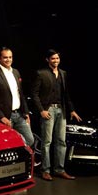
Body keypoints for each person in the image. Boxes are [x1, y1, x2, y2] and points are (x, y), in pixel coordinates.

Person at [31, 49, 81, 181]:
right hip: (48, 110)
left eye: (57, 58)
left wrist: (71, 110)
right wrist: (41, 110)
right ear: (47, 60)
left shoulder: (63, 73)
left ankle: (59, 169)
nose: (55, 61)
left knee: (61, 141)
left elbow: (66, 94)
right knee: (47, 142)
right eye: (53, 58)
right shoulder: (41, 73)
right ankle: (45, 170)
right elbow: (34, 94)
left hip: (61, 110)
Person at [0, 47, 35, 148]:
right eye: (5, 57)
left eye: (10, 57)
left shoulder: (15, 72)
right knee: (5, 144)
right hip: (6, 116)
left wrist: (26, 112)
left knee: (29, 139)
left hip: (19, 114)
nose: (8, 60)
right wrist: (1, 117)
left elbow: (20, 94)